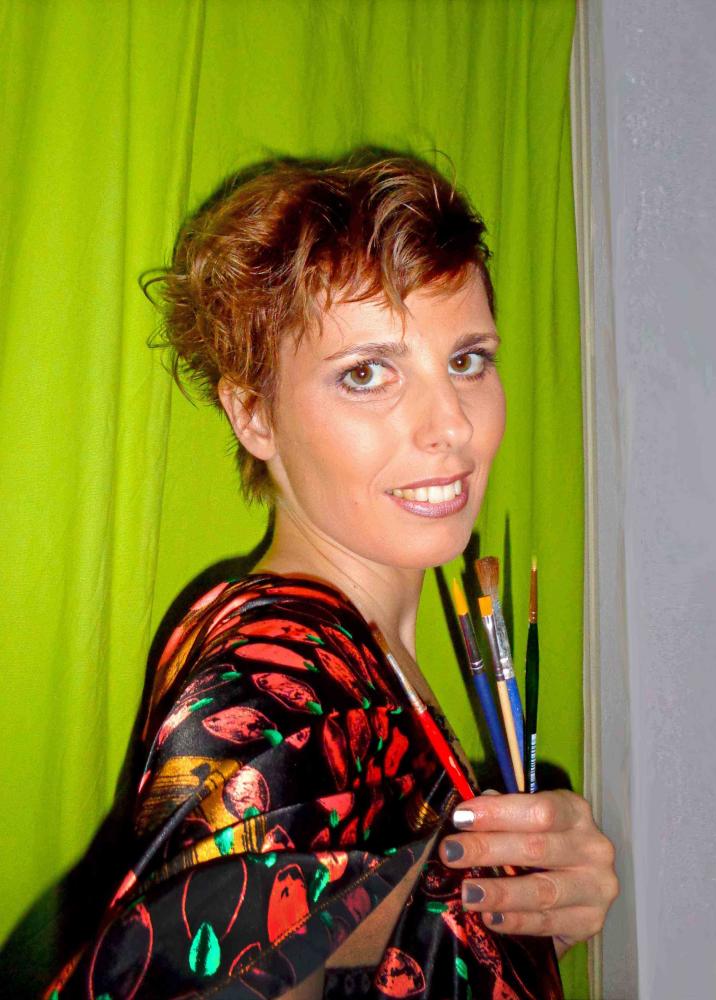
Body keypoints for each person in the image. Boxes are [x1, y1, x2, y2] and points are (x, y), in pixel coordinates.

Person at [48, 152, 618, 998]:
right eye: (366, 374)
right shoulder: (279, 680)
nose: (450, 426)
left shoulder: (360, 651)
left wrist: (528, 923)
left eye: (467, 360)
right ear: (252, 414)